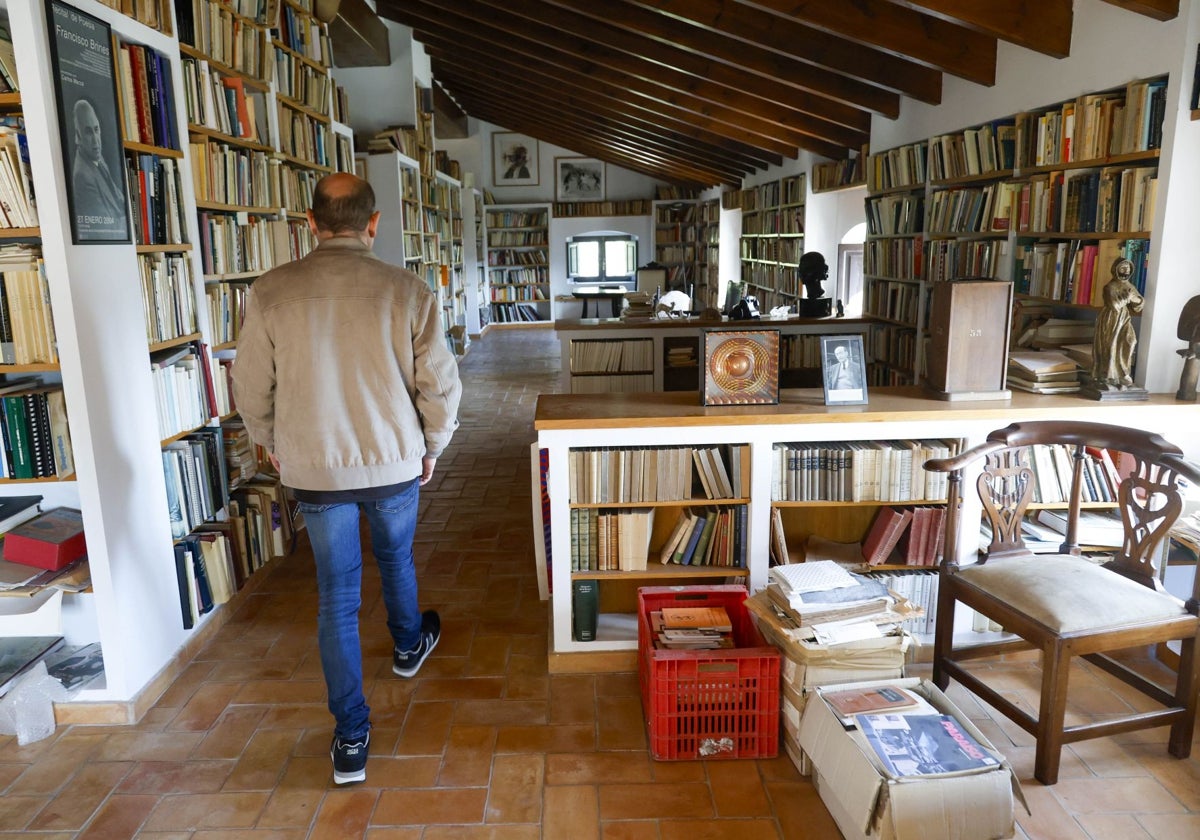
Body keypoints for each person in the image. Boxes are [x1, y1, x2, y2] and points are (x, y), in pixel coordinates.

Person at [232, 173, 462, 786]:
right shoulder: (408, 289)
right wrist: (431, 445)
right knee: (396, 557)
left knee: (336, 595)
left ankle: (351, 737)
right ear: (374, 223)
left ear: (310, 223)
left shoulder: (271, 291)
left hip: (315, 466)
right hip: (393, 461)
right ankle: (410, 646)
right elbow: (438, 383)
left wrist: (269, 440)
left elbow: (251, 384)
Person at [70, 98, 125, 234]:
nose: (96, 140)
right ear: (78, 136)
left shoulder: (97, 158)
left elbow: (118, 197)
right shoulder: (82, 177)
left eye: (96, 129)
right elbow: (107, 229)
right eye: (88, 132)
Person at [1091, 258, 1144, 388]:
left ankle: (1123, 373)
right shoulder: (1110, 287)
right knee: (1111, 345)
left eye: (1128, 268)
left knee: (1130, 341)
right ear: (1115, 269)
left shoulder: (1130, 286)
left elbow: (1139, 304)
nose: (1126, 271)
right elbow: (1114, 305)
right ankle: (1108, 375)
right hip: (1111, 319)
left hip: (1124, 318)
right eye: (1122, 268)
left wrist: (1135, 299)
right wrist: (1128, 298)